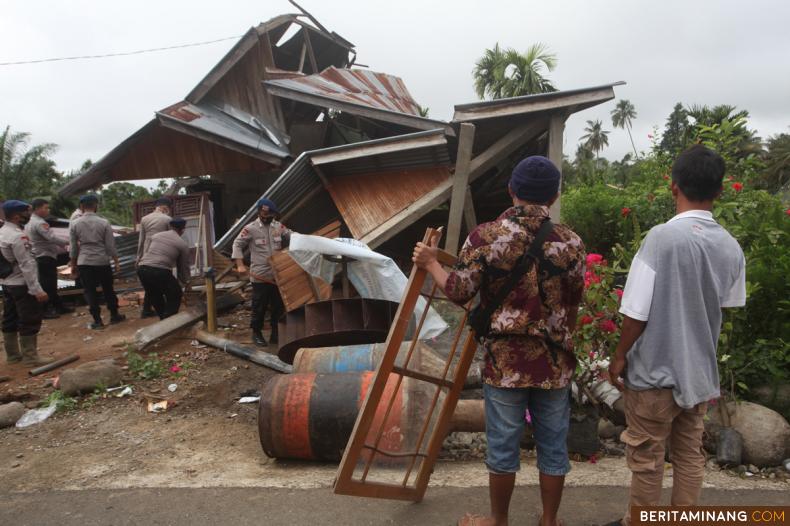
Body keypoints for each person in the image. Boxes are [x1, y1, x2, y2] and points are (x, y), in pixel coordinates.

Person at [412, 156, 586, 526]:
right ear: (554, 196)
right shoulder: (571, 242)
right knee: (553, 445)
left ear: (511, 190)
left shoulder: (486, 237)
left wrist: (430, 263)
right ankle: (550, 520)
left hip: (505, 363)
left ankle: (498, 520)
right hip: (555, 363)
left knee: (503, 445)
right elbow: (573, 303)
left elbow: (459, 291)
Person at [605, 145, 746, 526]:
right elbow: (726, 305)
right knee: (689, 455)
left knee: (648, 460)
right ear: (719, 191)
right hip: (698, 373)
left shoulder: (661, 238)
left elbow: (636, 311)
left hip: (654, 373)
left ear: (674, 186)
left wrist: (619, 355)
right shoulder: (731, 248)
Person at [232, 198, 291, 347]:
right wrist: (240, 265)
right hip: (260, 276)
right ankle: (256, 333)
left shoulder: (278, 227)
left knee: (278, 306)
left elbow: (293, 236)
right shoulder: (250, 228)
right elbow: (237, 244)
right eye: (267, 214)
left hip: (277, 275)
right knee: (260, 307)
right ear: (260, 213)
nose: (269, 217)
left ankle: (276, 334)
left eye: (271, 215)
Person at [0, 200, 50, 365]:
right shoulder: (17, 236)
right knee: (29, 319)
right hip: (22, 284)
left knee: (10, 318)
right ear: (16, 216)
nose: (28, 215)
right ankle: (31, 357)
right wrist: (37, 289)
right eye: (26, 212)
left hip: (7, 283)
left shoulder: (2, 232)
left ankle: (13, 355)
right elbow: (26, 264)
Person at [69, 195, 126, 330]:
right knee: (108, 289)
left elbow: (73, 247)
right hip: (102, 261)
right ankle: (114, 315)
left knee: (90, 291)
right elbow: (110, 245)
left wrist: (73, 264)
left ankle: (97, 320)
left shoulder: (74, 223)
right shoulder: (104, 222)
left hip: (85, 261)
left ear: (82, 207)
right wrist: (116, 261)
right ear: (95, 206)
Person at [25, 198, 73, 319]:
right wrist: (69, 241)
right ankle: (45, 309)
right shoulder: (40, 223)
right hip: (45, 256)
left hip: (41, 255)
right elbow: (52, 238)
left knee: (49, 283)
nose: (48, 210)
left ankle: (58, 306)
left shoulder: (30, 223)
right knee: (48, 284)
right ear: (37, 209)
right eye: (45, 208)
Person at [137, 217, 191, 319]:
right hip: (160, 270)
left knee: (154, 294)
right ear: (183, 230)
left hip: (142, 269)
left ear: (170, 227)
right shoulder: (182, 244)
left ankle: (163, 318)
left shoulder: (156, 236)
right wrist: (186, 282)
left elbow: (147, 251)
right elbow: (183, 267)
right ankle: (169, 319)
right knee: (176, 293)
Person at [137, 197, 173, 318]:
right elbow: (171, 238)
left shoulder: (144, 219)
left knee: (150, 284)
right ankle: (165, 311)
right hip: (162, 255)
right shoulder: (168, 219)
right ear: (165, 208)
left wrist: (138, 258)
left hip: (147, 255)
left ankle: (146, 310)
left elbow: (141, 241)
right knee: (163, 283)